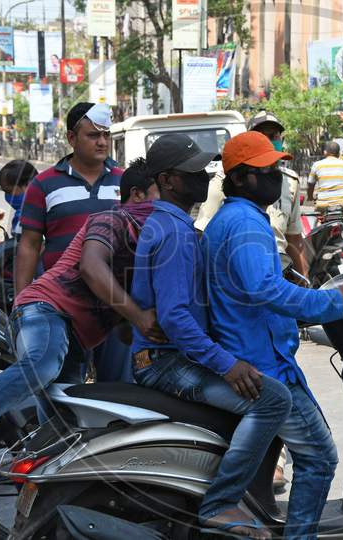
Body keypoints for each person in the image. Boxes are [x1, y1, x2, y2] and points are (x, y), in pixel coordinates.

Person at [0, 159, 162, 510]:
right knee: (42, 365)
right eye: (160, 195)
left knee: (63, 428)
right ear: (138, 195)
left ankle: (46, 509)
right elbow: (84, 267)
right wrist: (140, 317)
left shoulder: (154, 242)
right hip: (46, 309)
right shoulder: (114, 219)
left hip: (79, 337)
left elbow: (125, 328)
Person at [203, 131, 343, 539]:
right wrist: (334, 303)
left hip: (256, 352)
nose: (277, 178)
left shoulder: (233, 219)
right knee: (320, 458)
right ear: (241, 178)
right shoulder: (244, 223)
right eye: (268, 170)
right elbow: (266, 290)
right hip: (262, 363)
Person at [131, 133, 295, 539]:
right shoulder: (174, 233)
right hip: (164, 361)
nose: (205, 178)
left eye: (206, 170)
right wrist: (227, 363)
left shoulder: (178, 225)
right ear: (168, 180)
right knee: (272, 399)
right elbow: (175, 320)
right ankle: (221, 502)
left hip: (169, 354)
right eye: (194, 173)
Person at [16, 102, 131, 383]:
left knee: (118, 388)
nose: (102, 142)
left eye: (106, 135)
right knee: (62, 386)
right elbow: (29, 245)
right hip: (62, 305)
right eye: (93, 135)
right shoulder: (43, 184)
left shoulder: (127, 182)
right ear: (71, 138)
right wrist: (20, 304)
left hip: (116, 303)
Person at [195, 112, 308, 279]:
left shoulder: (290, 181)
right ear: (238, 179)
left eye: (273, 136)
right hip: (247, 273)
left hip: (280, 271)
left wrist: (305, 280)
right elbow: (202, 234)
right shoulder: (227, 188)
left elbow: (294, 239)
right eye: (260, 135)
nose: (266, 140)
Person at [307, 141, 343, 209]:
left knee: (316, 218)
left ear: (325, 152)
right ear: (339, 154)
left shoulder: (316, 165)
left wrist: (310, 197)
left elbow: (310, 184)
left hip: (323, 204)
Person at [0, 159, 38, 235]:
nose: (7, 196)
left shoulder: (27, 216)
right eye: (5, 192)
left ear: (27, 186)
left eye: (9, 191)